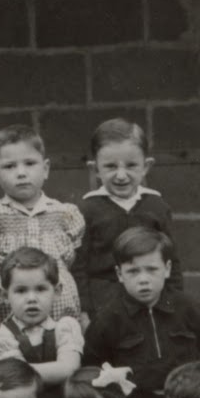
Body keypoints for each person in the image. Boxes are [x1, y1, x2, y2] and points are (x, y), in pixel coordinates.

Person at [82, 226, 200, 398]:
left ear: (167, 269)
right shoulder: (108, 319)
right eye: (133, 271)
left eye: (152, 269)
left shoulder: (188, 309)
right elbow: (93, 366)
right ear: (119, 274)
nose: (143, 279)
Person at [72, 117, 181, 323]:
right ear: (95, 169)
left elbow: (171, 261)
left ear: (146, 166)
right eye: (110, 166)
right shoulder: (86, 210)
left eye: (131, 165)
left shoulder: (156, 206)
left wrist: (174, 303)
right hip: (103, 303)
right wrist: (84, 311)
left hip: (149, 298)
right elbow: (79, 266)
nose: (121, 175)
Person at [0, 125, 84, 323]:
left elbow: (73, 262)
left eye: (30, 163)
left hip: (59, 307)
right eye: (9, 166)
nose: (21, 173)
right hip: (10, 310)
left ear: (45, 169)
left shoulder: (65, 214)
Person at [0, 247, 84, 398]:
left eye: (40, 289)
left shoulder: (65, 327)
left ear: (57, 291)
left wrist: (23, 369)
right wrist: (24, 372)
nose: (31, 299)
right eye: (21, 291)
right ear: (5, 296)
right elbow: (17, 380)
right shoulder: (1, 338)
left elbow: (69, 368)